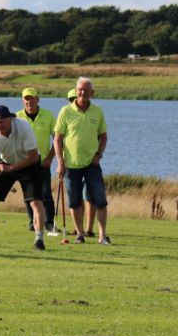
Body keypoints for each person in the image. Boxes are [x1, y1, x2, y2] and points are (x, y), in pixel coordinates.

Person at [0, 105, 47, 250]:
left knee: (35, 202)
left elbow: (34, 157)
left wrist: (10, 168)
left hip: (29, 164)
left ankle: (39, 240)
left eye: (2, 121)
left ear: (10, 119)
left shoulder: (23, 127)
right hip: (5, 162)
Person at [54, 77, 110, 245]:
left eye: (86, 89)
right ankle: (80, 234)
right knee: (74, 201)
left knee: (100, 200)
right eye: (80, 89)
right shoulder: (66, 111)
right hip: (70, 165)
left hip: (92, 164)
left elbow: (103, 137)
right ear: (76, 90)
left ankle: (102, 236)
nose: (82, 92)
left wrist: (98, 154)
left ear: (92, 92)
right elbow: (57, 139)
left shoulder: (97, 111)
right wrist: (60, 163)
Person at [16, 88, 58, 233]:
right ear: (23, 101)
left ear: (37, 99)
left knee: (46, 193)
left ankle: (49, 223)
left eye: (32, 98)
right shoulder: (17, 117)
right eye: (26, 99)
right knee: (29, 194)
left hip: (43, 162)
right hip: (25, 162)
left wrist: (50, 158)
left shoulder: (48, 115)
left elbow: (58, 139)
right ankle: (32, 222)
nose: (29, 101)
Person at [66, 88, 96, 237]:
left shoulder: (92, 113)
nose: (74, 101)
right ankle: (78, 229)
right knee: (75, 197)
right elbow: (59, 138)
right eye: (70, 99)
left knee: (89, 195)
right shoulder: (66, 113)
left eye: (74, 98)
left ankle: (89, 229)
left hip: (89, 161)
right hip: (71, 162)